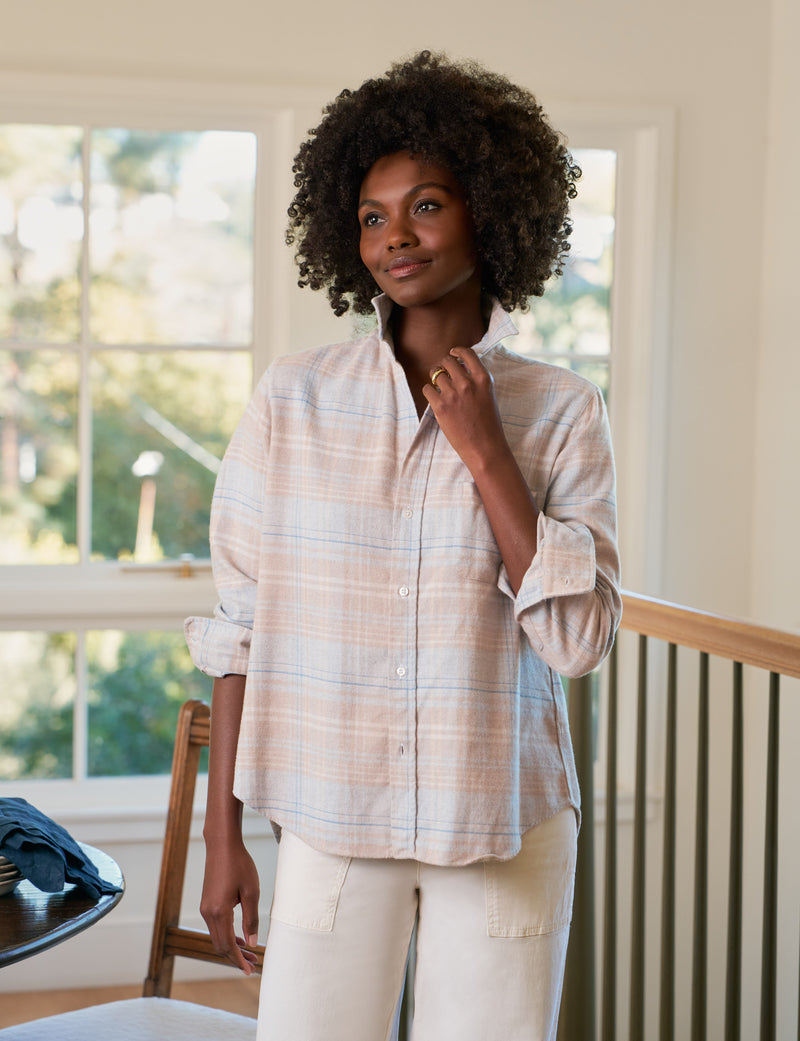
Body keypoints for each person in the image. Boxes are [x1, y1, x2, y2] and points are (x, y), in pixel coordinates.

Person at [185, 50, 621, 1041]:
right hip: (330, 823)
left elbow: (577, 642)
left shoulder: (558, 410)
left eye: (426, 205)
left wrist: (486, 457)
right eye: (373, 216)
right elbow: (237, 629)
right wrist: (226, 839)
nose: (396, 237)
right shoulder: (292, 400)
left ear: (491, 209)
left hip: (502, 821)